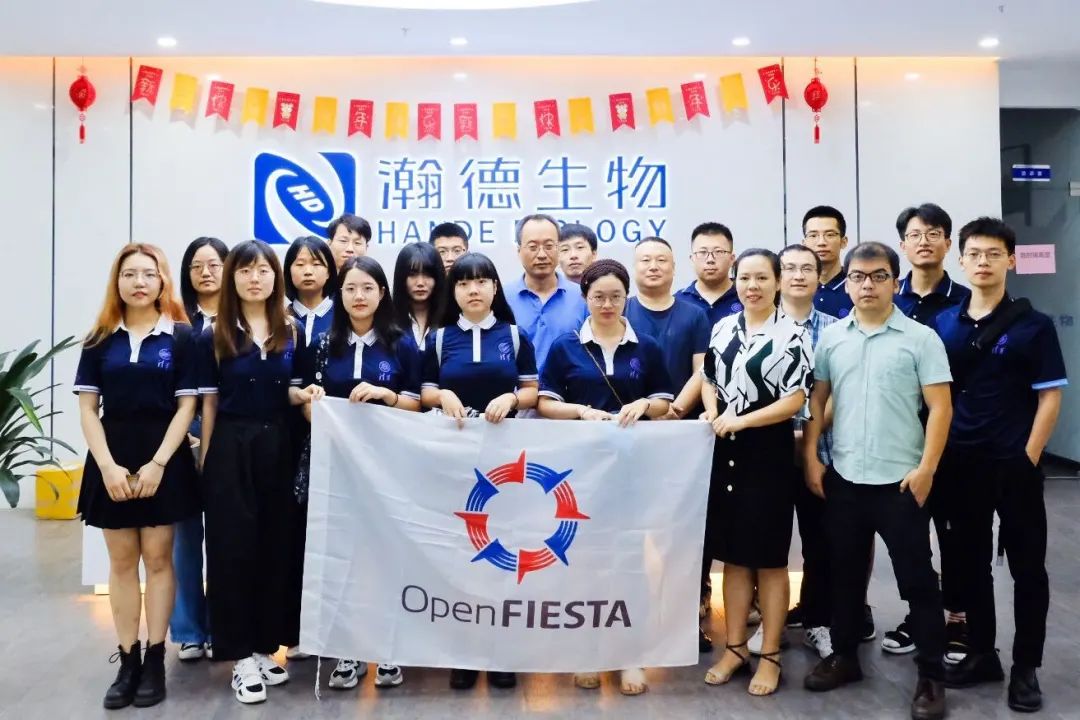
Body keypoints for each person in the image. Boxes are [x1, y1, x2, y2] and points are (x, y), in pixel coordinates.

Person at [802, 242, 952, 720]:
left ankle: (931, 675)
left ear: (895, 281)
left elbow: (941, 408)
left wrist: (926, 469)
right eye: (858, 276)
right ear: (846, 282)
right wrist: (812, 457)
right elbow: (818, 401)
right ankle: (845, 656)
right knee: (845, 575)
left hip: (901, 482)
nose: (868, 285)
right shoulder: (832, 338)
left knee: (918, 581)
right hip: (845, 477)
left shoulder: (921, 338)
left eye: (879, 276)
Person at [935, 218, 1066, 713]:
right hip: (960, 463)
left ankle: (1026, 668)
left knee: (1028, 569)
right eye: (974, 254)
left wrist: (1028, 457)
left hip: (1015, 464)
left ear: (1011, 259)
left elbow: (1049, 398)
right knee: (970, 565)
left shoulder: (1034, 325)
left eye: (994, 253)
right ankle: (982, 654)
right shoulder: (944, 324)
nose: (983, 262)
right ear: (961, 260)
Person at [538, 258, 673, 696]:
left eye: (616, 296)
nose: (608, 304)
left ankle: (630, 653)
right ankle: (588, 650)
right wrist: (580, 411)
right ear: (585, 298)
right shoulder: (565, 347)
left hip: (633, 471)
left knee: (631, 561)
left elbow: (665, 400)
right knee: (583, 562)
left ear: (626, 298)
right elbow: (545, 403)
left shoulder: (646, 346)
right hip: (578, 474)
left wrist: (645, 405)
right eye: (599, 296)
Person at [74, 243, 200, 709]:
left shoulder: (181, 338)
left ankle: (154, 659)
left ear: (162, 280)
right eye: (130, 274)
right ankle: (127, 660)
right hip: (112, 455)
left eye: (149, 273)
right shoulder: (99, 339)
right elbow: (88, 409)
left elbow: (186, 406)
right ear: (118, 282)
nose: (139, 282)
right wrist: (107, 466)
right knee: (122, 562)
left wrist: (159, 464)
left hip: (163, 457)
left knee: (160, 559)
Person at [197, 239, 322, 705]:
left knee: (275, 547)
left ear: (276, 277)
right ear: (232, 277)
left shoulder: (292, 329)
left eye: (263, 270)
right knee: (232, 551)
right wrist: (208, 460)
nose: (255, 278)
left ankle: (265, 647)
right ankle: (238, 656)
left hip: (279, 446)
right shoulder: (213, 333)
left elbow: (288, 390)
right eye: (245, 270)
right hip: (231, 445)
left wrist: (305, 395)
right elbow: (210, 403)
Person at [301, 256, 422, 691]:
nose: (358, 296)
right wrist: (313, 403)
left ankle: (388, 649)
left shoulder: (401, 343)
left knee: (383, 554)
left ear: (382, 293)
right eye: (350, 288)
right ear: (340, 294)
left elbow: (416, 404)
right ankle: (348, 650)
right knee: (342, 556)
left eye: (367, 288)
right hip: (336, 465)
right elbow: (303, 400)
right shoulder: (321, 344)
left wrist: (387, 396)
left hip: (388, 467)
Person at [420, 252, 539, 690]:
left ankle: (501, 650)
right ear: (452, 291)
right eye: (464, 282)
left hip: (504, 463)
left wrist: (511, 399)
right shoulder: (439, 338)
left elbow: (532, 391)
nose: (473, 289)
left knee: (501, 552)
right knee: (460, 553)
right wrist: (442, 396)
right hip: (453, 461)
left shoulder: (514, 335)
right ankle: (464, 652)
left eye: (482, 281)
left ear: (494, 288)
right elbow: (425, 392)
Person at [699, 249, 813, 698]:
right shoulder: (723, 327)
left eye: (762, 278)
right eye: (744, 277)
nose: (752, 286)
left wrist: (741, 420)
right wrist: (713, 412)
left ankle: (770, 654)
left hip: (768, 450)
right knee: (733, 556)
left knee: (769, 559)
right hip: (725, 448)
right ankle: (734, 648)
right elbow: (709, 378)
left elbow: (796, 399)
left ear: (778, 282)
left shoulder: (793, 333)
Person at [886, 203, 972, 660]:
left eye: (934, 233)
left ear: (948, 243)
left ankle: (957, 618)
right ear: (903, 245)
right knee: (910, 539)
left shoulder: (966, 301)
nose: (924, 241)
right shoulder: (888, 298)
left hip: (954, 438)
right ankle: (920, 615)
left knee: (955, 534)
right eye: (915, 234)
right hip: (899, 438)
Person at [623, 236, 713, 651]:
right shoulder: (620, 309)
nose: (653, 266)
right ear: (634, 267)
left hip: (682, 439)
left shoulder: (694, 315)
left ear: (675, 267)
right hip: (628, 438)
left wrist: (674, 410)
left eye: (662, 259)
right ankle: (630, 616)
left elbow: (703, 371)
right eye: (645, 260)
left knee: (681, 534)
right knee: (628, 533)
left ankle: (683, 621)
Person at [769, 244, 838, 662]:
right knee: (768, 543)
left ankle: (818, 620)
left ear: (818, 277)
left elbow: (837, 393)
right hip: (768, 453)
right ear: (778, 277)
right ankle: (770, 624)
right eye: (790, 268)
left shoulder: (837, 328)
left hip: (822, 453)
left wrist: (807, 436)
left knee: (820, 543)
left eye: (806, 269)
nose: (798, 275)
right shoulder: (759, 324)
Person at [171, 236, 228, 663]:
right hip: (181, 433)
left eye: (214, 264)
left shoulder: (245, 318)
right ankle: (190, 629)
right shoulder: (174, 321)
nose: (205, 273)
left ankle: (224, 627)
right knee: (184, 539)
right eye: (196, 266)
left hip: (232, 432)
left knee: (227, 539)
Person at [505, 213, 588, 371]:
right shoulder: (502, 298)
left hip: (568, 387)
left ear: (558, 248)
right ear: (519, 250)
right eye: (533, 247)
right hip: (516, 386)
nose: (542, 255)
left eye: (549, 246)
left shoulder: (583, 297)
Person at [676, 222, 741, 327]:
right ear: (692, 259)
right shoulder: (677, 302)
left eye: (718, 252)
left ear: (732, 259)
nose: (710, 259)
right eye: (703, 252)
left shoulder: (745, 297)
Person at [392, 241, 446, 350]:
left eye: (428, 275)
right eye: (412, 275)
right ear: (401, 277)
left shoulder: (450, 320)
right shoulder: (388, 322)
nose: (420, 283)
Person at [284, 235, 336, 347]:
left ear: (329, 272)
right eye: (300, 264)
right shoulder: (281, 319)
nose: (308, 271)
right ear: (289, 271)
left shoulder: (343, 317)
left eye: (316, 264)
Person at [802, 206, 854, 319]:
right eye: (813, 235)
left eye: (830, 235)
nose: (821, 242)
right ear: (804, 243)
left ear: (844, 242)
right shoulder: (795, 287)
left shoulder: (858, 286)